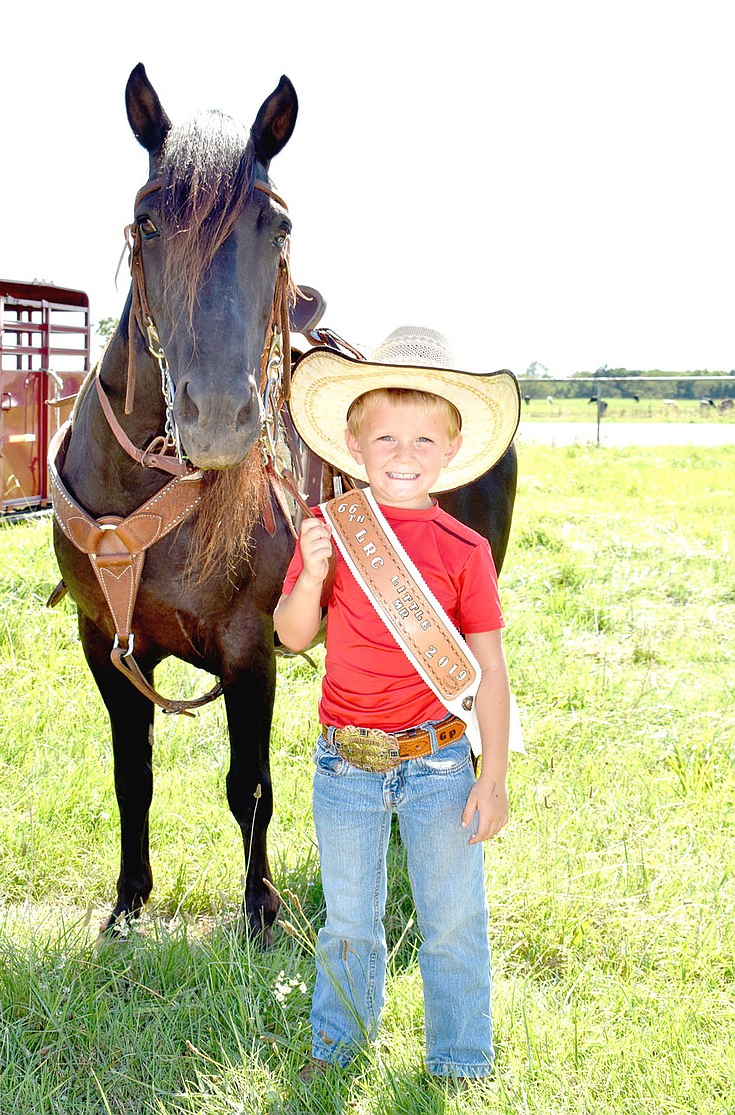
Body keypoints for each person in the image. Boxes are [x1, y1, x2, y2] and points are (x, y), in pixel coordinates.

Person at [274, 326, 520, 1082]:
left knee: (451, 922)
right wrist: (311, 575)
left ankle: (459, 1061)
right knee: (348, 922)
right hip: (344, 762)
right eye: (385, 436)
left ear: (450, 449)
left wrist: (494, 775)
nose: (403, 453)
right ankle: (337, 1045)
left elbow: (490, 672)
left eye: (422, 438)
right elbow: (289, 636)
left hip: (439, 760)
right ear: (354, 441)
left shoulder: (464, 550)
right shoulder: (334, 533)